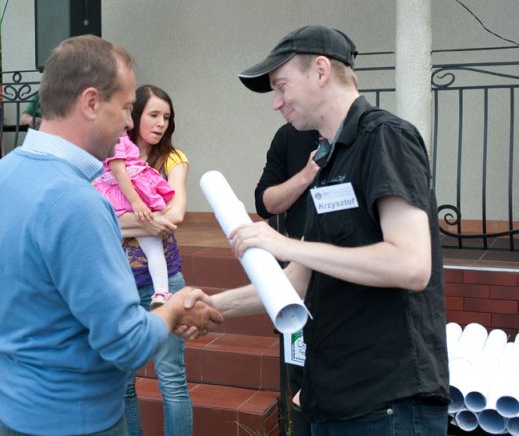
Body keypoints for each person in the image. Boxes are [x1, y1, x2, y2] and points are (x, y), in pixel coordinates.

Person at [0, 35, 222, 436]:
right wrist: (174, 309)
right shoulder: (79, 202)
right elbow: (127, 343)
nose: (129, 122)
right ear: (90, 102)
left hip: (0, 406)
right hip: (74, 420)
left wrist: (22, 346)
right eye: (125, 107)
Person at [188, 25, 450, 435]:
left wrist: (283, 243)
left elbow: (411, 265)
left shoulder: (386, 138)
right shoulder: (328, 163)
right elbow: (297, 282)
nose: (276, 102)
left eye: (281, 86)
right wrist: (211, 307)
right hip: (331, 396)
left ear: (321, 70)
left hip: (386, 404)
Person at [118, 84, 193, 436]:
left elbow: (175, 214)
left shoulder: (172, 159)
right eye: (153, 115)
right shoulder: (111, 156)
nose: (161, 123)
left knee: (171, 378)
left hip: (164, 283)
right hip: (118, 285)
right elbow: (98, 218)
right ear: (134, 115)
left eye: (166, 117)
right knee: (122, 381)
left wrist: (123, 222)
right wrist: (149, 223)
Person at [254, 122, 319, 436]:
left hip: (347, 275)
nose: (279, 103)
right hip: (296, 268)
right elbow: (265, 203)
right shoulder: (289, 135)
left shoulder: (366, 135)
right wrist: (307, 174)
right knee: (299, 371)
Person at [94, 132, 175, 308]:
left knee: (114, 248)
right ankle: (161, 292)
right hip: (127, 195)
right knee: (151, 247)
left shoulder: (107, 138)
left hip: (123, 195)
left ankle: (120, 292)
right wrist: (136, 201)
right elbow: (118, 171)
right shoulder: (115, 139)